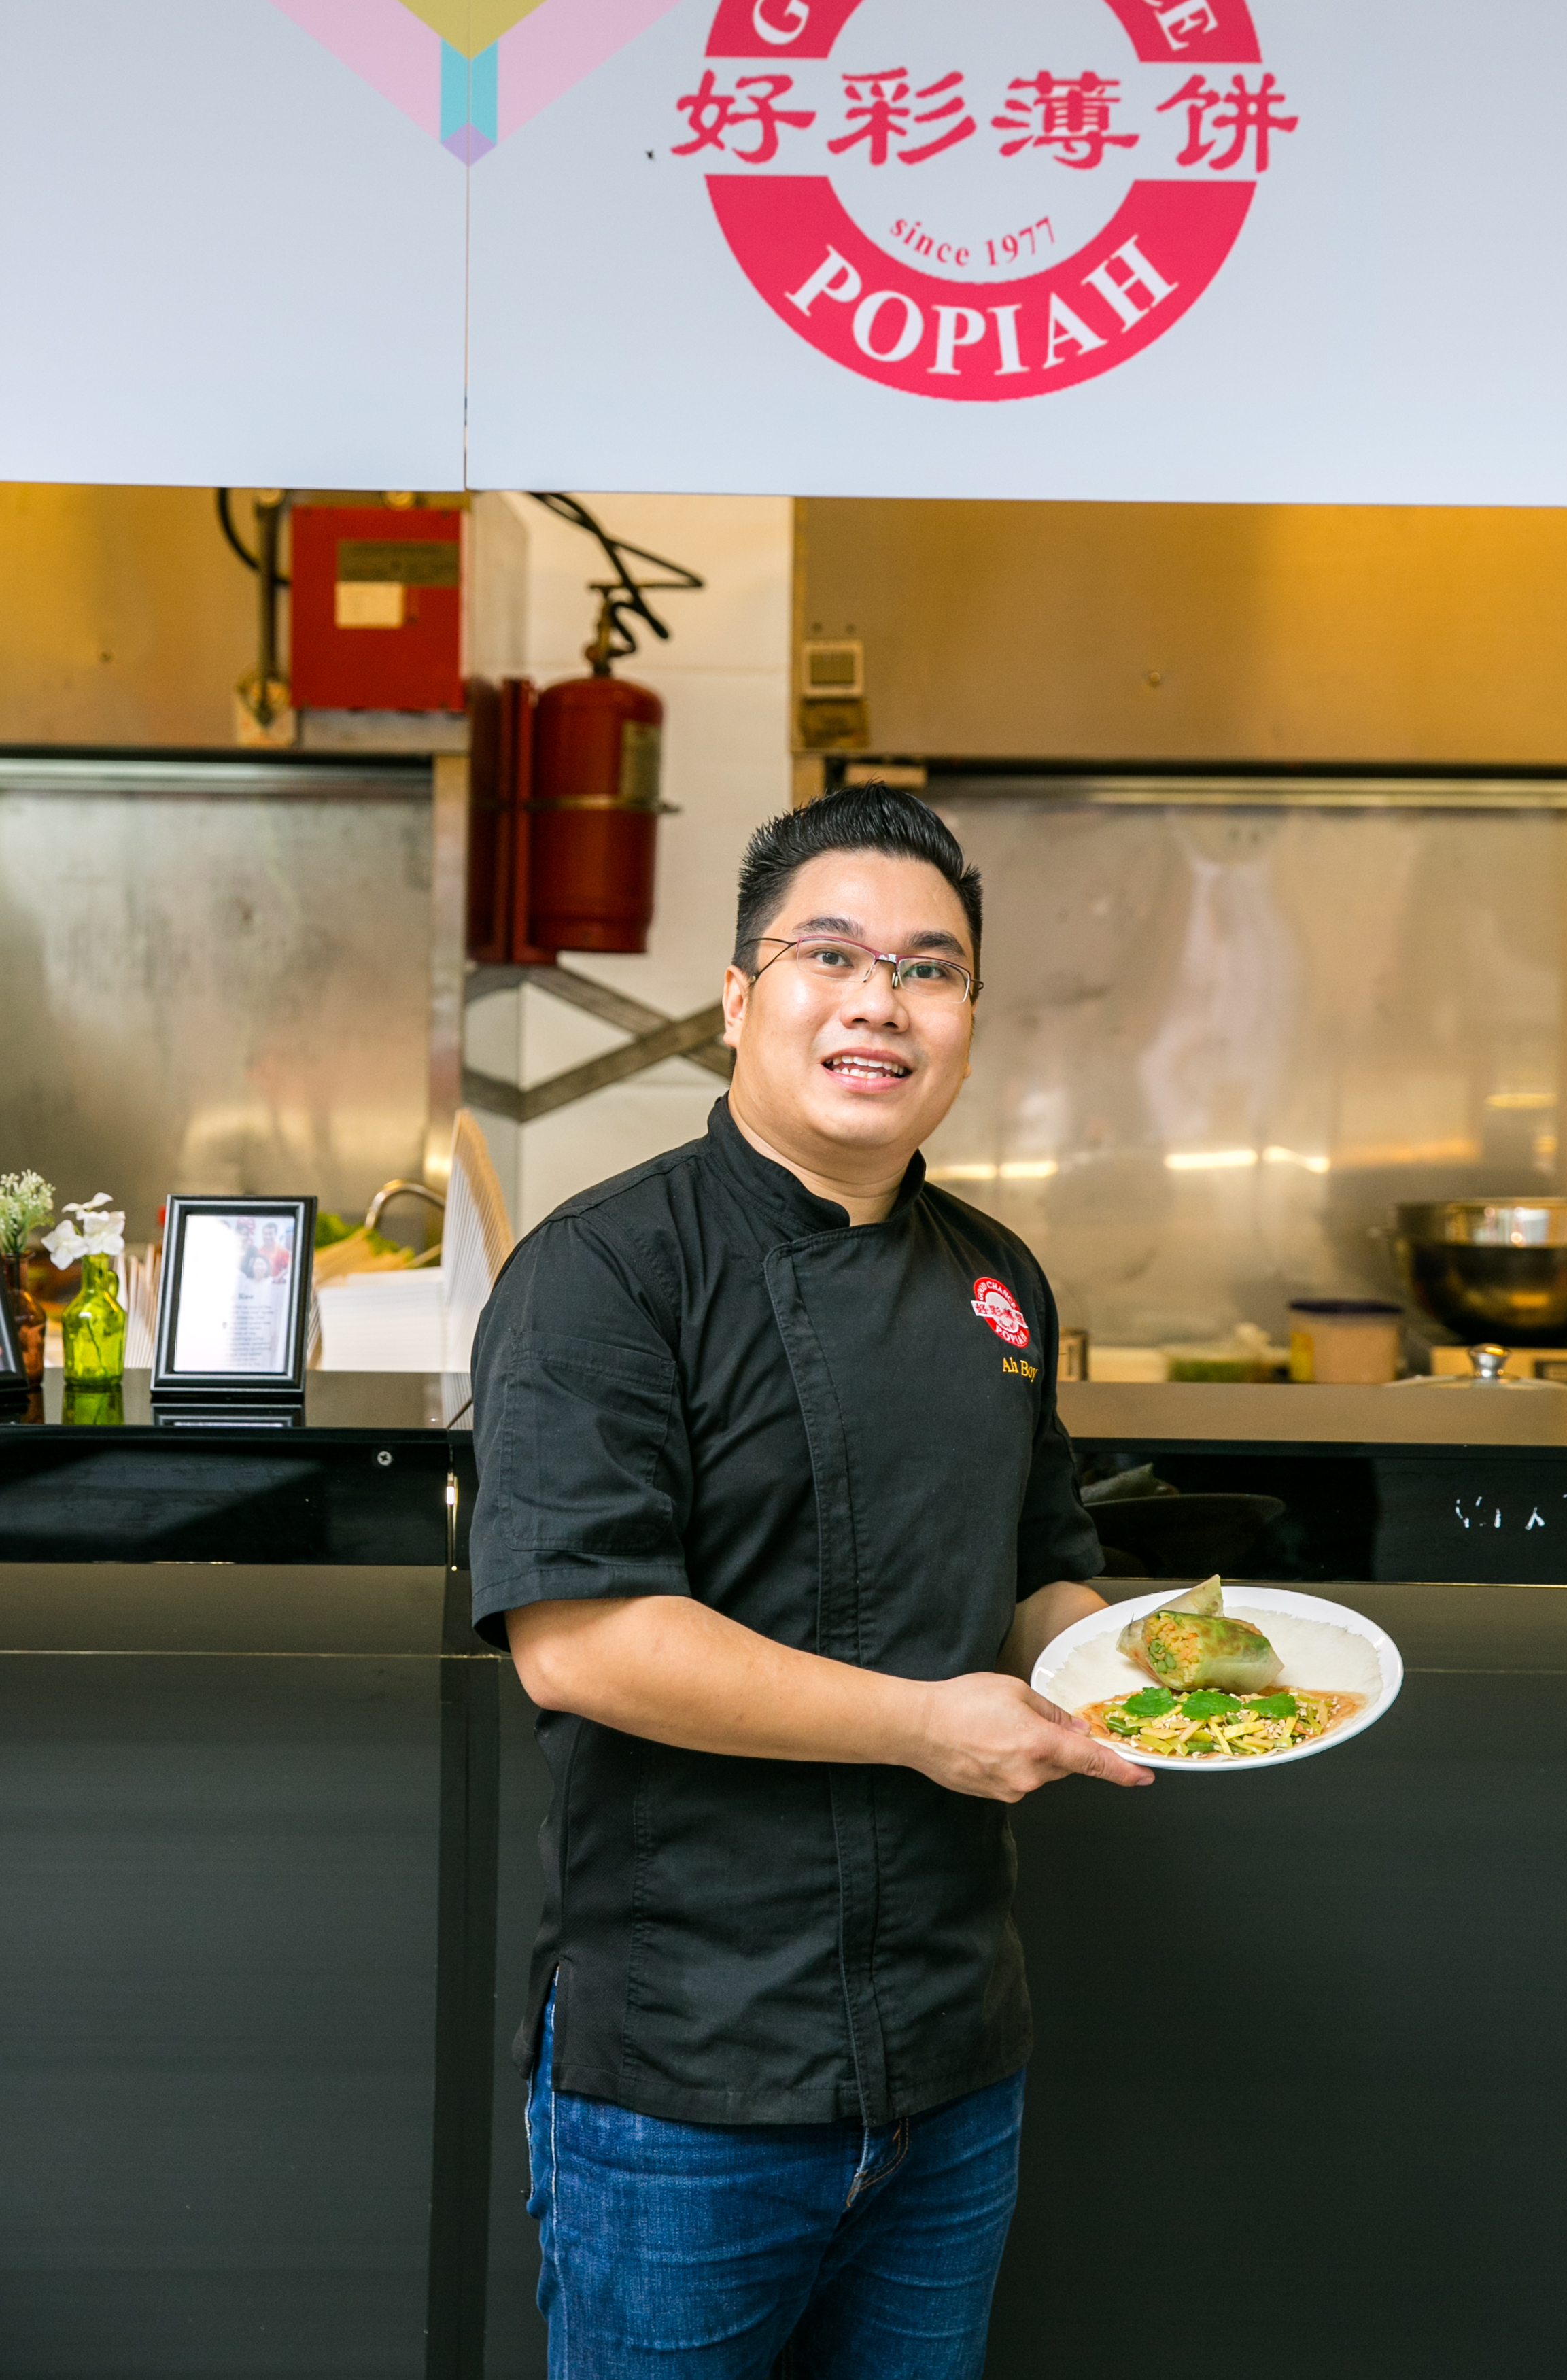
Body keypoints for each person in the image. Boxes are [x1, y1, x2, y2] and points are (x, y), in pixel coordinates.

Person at [468, 784, 1150, 2380]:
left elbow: (1041, 1576)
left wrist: (1154, 1664)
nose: (880, 1001)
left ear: (966, 1019)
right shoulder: (604, 1269)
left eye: (930, 969)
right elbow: (585, 1642)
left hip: (954, 2055)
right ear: (737, 999)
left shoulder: (998, 1279)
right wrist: (926, 1725)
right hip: (691, 2079)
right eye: (830, 955)